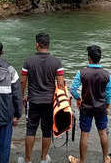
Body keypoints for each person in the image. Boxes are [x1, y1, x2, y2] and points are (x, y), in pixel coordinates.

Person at [19, 33, 65, 163]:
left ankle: (27, 160)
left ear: (37, 44)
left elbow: (23, 82)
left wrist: (21, 98)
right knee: (46, 130)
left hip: (33, 101)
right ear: (48, 45)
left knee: (31, 129)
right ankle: (44, 159)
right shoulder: (56, 62)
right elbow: (60, 84)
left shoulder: (29, 61)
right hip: (49, 102)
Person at [68, 45, 111, 163]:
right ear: (100, 58)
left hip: (86, 107)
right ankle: (105, 158)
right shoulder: (107, 74)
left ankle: (81, 161)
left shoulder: (82, 72)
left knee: (85, 134)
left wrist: (78, 99)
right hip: (101, 108)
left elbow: (72, 89)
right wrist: (107, 106)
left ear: (89, 58)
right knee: (103, 132)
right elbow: (108, 94)